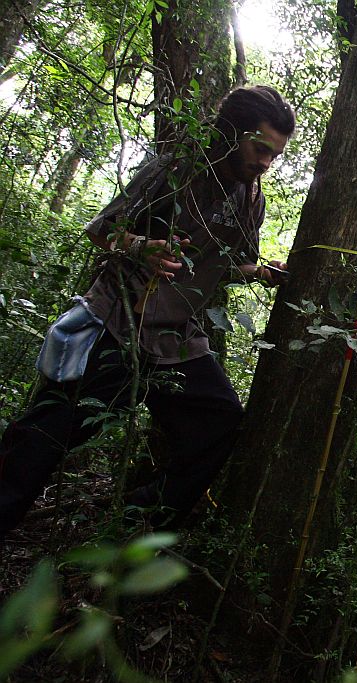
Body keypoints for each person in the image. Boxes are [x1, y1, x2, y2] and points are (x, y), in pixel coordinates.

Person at [0, 85, 295, 536]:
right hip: (118, 324)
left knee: (218, 423)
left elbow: (230, 263)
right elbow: (101, 229)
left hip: (177, 340)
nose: (264, 163)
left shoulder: (250, 199)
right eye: (260, 149)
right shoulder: (176, 169)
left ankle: (132, 528)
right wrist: (141, 248)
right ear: (232, 132)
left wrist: (260, 272)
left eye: (275, 155)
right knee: (45, 438)